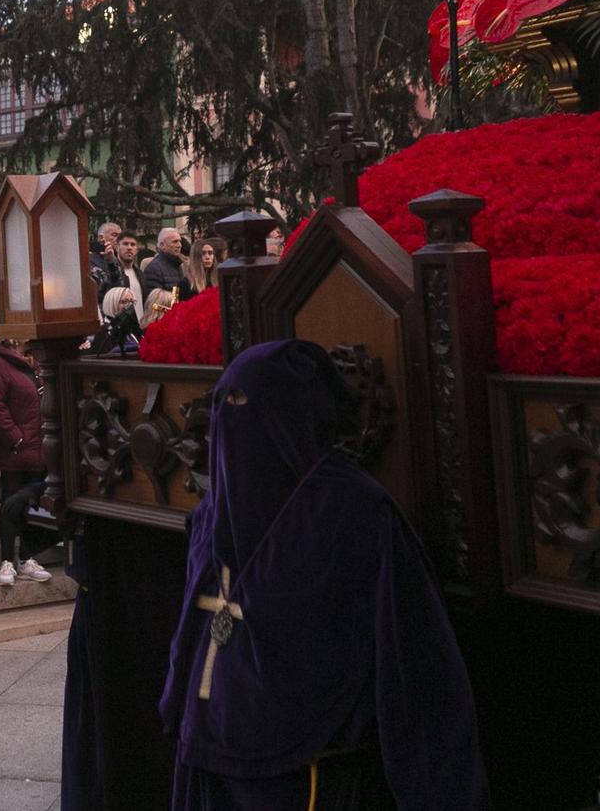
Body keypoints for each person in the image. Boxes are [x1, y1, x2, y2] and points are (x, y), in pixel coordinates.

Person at [160, 340, 487, 809]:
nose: (231, 420)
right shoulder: (214, 509)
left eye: (246, 402)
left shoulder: (352, 511)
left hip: (305, 768)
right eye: (225, 403)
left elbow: (412, 660)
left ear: (295, 412)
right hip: (210, 746)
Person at [0, 342, 52, 587]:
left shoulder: (37, 364)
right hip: (13, 450)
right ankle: (7, 560)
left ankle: (28, 557)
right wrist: (15, 437)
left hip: (38, 448)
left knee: (31, 504)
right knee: (10, 503)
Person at [141, 228, 187, 299]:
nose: (179, 245)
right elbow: (155, 304)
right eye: (175, 242)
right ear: (162, 245)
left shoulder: (178, 265)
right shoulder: (154, 269)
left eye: (179, 241)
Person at [179, 237, 223, 303]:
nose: (208, 257)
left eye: (210, 253)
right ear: (196, 257)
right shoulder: (186, 284)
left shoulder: (219, 279)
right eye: (203, 253)